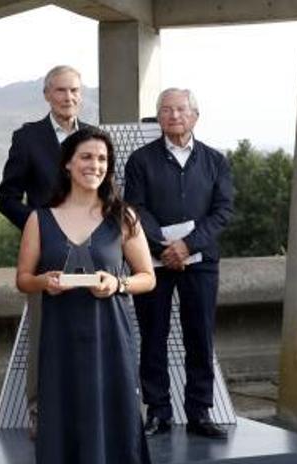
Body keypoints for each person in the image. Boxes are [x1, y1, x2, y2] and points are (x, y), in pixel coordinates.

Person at [16, 128, 158, 464]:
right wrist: (46, 281)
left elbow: (147, 278)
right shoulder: (39, 218)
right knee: (65, 422)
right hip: (59, 340)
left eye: (101, 159)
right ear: (67, 163)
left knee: (101, 422)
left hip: (108, 338)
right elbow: (23, 280)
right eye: (86, 158)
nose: (94, 165)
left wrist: (115, 285)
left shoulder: (123, 217)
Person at [124, 88, 236, 440]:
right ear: (158, 117)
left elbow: (223, 211)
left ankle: (200, 412)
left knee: (199, 337)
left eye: (181, 110)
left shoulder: (215, 161)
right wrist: (164, 247)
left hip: (201, 261)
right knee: (153, 337)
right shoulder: (140, 160)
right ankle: (158, 412)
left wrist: (188, 245)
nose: (174, 115)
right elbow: (135, 208)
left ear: (195, 116)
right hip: (153, 261)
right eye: (167, 110)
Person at [0, 65, 94, 437]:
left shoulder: (94, 137)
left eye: (74, 91)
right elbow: (7, 198)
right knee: (42, 335)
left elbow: (105, 191)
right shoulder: (28, 138)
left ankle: (87, 409)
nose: (68, 98)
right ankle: (40, 413)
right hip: (46, 252)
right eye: (60, 91)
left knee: (89, 331)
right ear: (47, 94)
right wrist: (41, 228)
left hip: (90, 249)